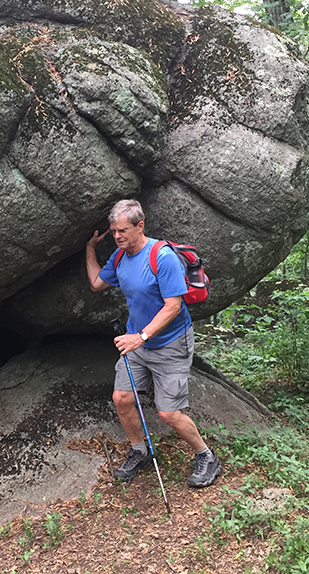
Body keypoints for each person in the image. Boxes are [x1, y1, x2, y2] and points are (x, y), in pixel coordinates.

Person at [85, 199, 222, 488]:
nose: (118, 236)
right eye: (113, 231)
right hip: (138, 343)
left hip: (170, 342)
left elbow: (173, 306)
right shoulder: (120, 257)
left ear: (140, 226)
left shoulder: (162, 257)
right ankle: (140, 451)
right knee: (121, 398)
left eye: (123, 230)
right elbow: (97, 283)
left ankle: (206, 456)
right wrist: (90, 249)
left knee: (168, 412)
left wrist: (141, 337)